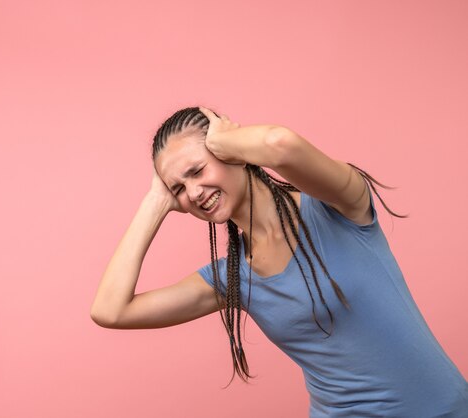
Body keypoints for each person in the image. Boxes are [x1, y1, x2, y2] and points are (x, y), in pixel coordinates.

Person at [90, 106, 468, 417]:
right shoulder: (232, 279)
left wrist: (227, 139)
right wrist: (154, 202)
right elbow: (111, 310)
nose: (192, 193)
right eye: (178, 189)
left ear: (233, 155)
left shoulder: (339, 207)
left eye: (197, 170)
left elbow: (280, 144)